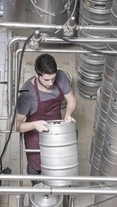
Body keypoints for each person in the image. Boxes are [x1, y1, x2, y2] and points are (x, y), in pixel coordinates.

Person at [16, 53, 76, 185]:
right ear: (37, 75)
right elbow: (16, 126)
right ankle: (37, 188)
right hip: (35, 137)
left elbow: (71, 99)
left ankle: (57, 191)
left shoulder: (61, 76)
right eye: (46, 80)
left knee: (58, 164)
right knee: (36, 166)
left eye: (53, 79)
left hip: (56, 131)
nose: (51, 83)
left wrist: (68, 113)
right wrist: (34, 124)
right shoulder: (27, 95)